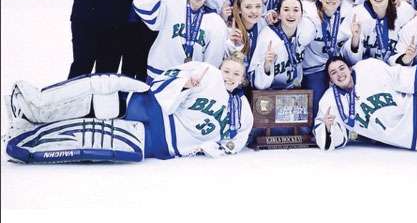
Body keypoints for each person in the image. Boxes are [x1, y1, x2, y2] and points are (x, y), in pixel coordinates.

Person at [5, 54, 253, 162]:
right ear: (220, 68)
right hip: (150, 108)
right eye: (227, 71)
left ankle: (29, 135)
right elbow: (165, 80)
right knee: (100, 101)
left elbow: (236, 141)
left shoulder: (242, 110)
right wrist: (184, 85)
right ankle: (35, 107)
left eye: (236, 74)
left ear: (243, 79)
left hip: (161, 142)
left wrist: (212, 148)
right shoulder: (207, 72)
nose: (229, 77)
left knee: (92, 134)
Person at [133, 0, 227, 83]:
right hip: (161, 75)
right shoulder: (171, 2)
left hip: (190, 82)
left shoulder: (216, 22)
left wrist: (201, 80)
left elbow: (212, 60)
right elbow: (141, 4)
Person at [302, 0, 358, 117]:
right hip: (314, 67)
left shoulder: (349, 11)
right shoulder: (307, 10)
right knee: (317, 108)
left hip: (338, 65)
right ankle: (319, 131)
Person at [249, 0, 315, 90]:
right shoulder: (268, 38)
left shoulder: (306, 28)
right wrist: (266, 66)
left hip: (295, 91)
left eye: (296, 10)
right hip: (270, 93)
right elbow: (255, 82)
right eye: (286, 10)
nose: (291, 14)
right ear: (279, 15)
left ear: (302, 15)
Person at [341, 0, 415, 62]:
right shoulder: (357, 14)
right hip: (368, 70)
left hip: (396, 69)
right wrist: (355, 39)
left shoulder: (404, 11)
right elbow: (349, 59)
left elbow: (405, 53)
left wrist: (406, 57)